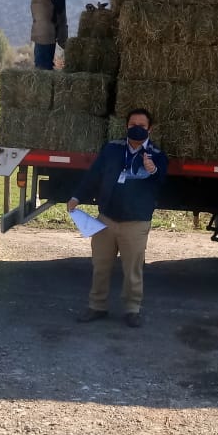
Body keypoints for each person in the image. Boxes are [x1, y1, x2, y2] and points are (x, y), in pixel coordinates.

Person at [67, 108, 168, 328]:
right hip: (107, 218)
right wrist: (76, 196)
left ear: (150, 129)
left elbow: (162, 183)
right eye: (132, 124)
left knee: (132, 269)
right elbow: (94, 174)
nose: (136, 128)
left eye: (141, 126)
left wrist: (153, 170)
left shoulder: (157, 155)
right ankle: (97, 306)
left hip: (136, 221)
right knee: (100, 265)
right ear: (126, 126)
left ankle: (132, 310)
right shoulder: (112, 148)